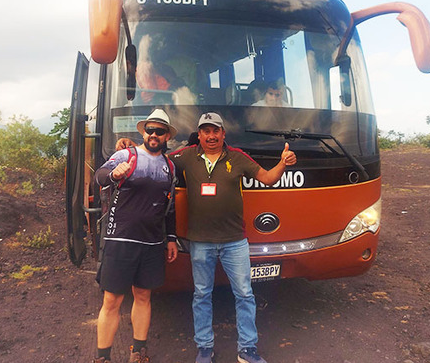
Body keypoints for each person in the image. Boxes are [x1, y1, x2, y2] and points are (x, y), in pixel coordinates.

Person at [169, 112, 297, 363]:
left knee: (245, 295)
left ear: (223, 134)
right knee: (202, 295)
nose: (211, 136)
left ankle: (247, 349)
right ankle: (205, 348)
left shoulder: (237, 157)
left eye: (216, 130)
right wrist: (131, 149)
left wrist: (283, 163)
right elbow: (156, 160)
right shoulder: (186, 156)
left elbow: (269, 179)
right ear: (200, 135)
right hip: (201, 242)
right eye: (206, 131)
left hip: (234, 242)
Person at [92, 108, 179, 363]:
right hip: (120, 239)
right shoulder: (125, 154)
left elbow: (169, 207)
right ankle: (102, 357)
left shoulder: (169, 166)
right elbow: (99, 177)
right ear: (144, 132)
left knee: (143, 296)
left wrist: (171, 238)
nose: (153, 134)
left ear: (166, 136)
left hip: (152, 243)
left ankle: (138, 352)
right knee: (112, 299)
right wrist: (114, 174)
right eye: (149, 130)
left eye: (159, 131)